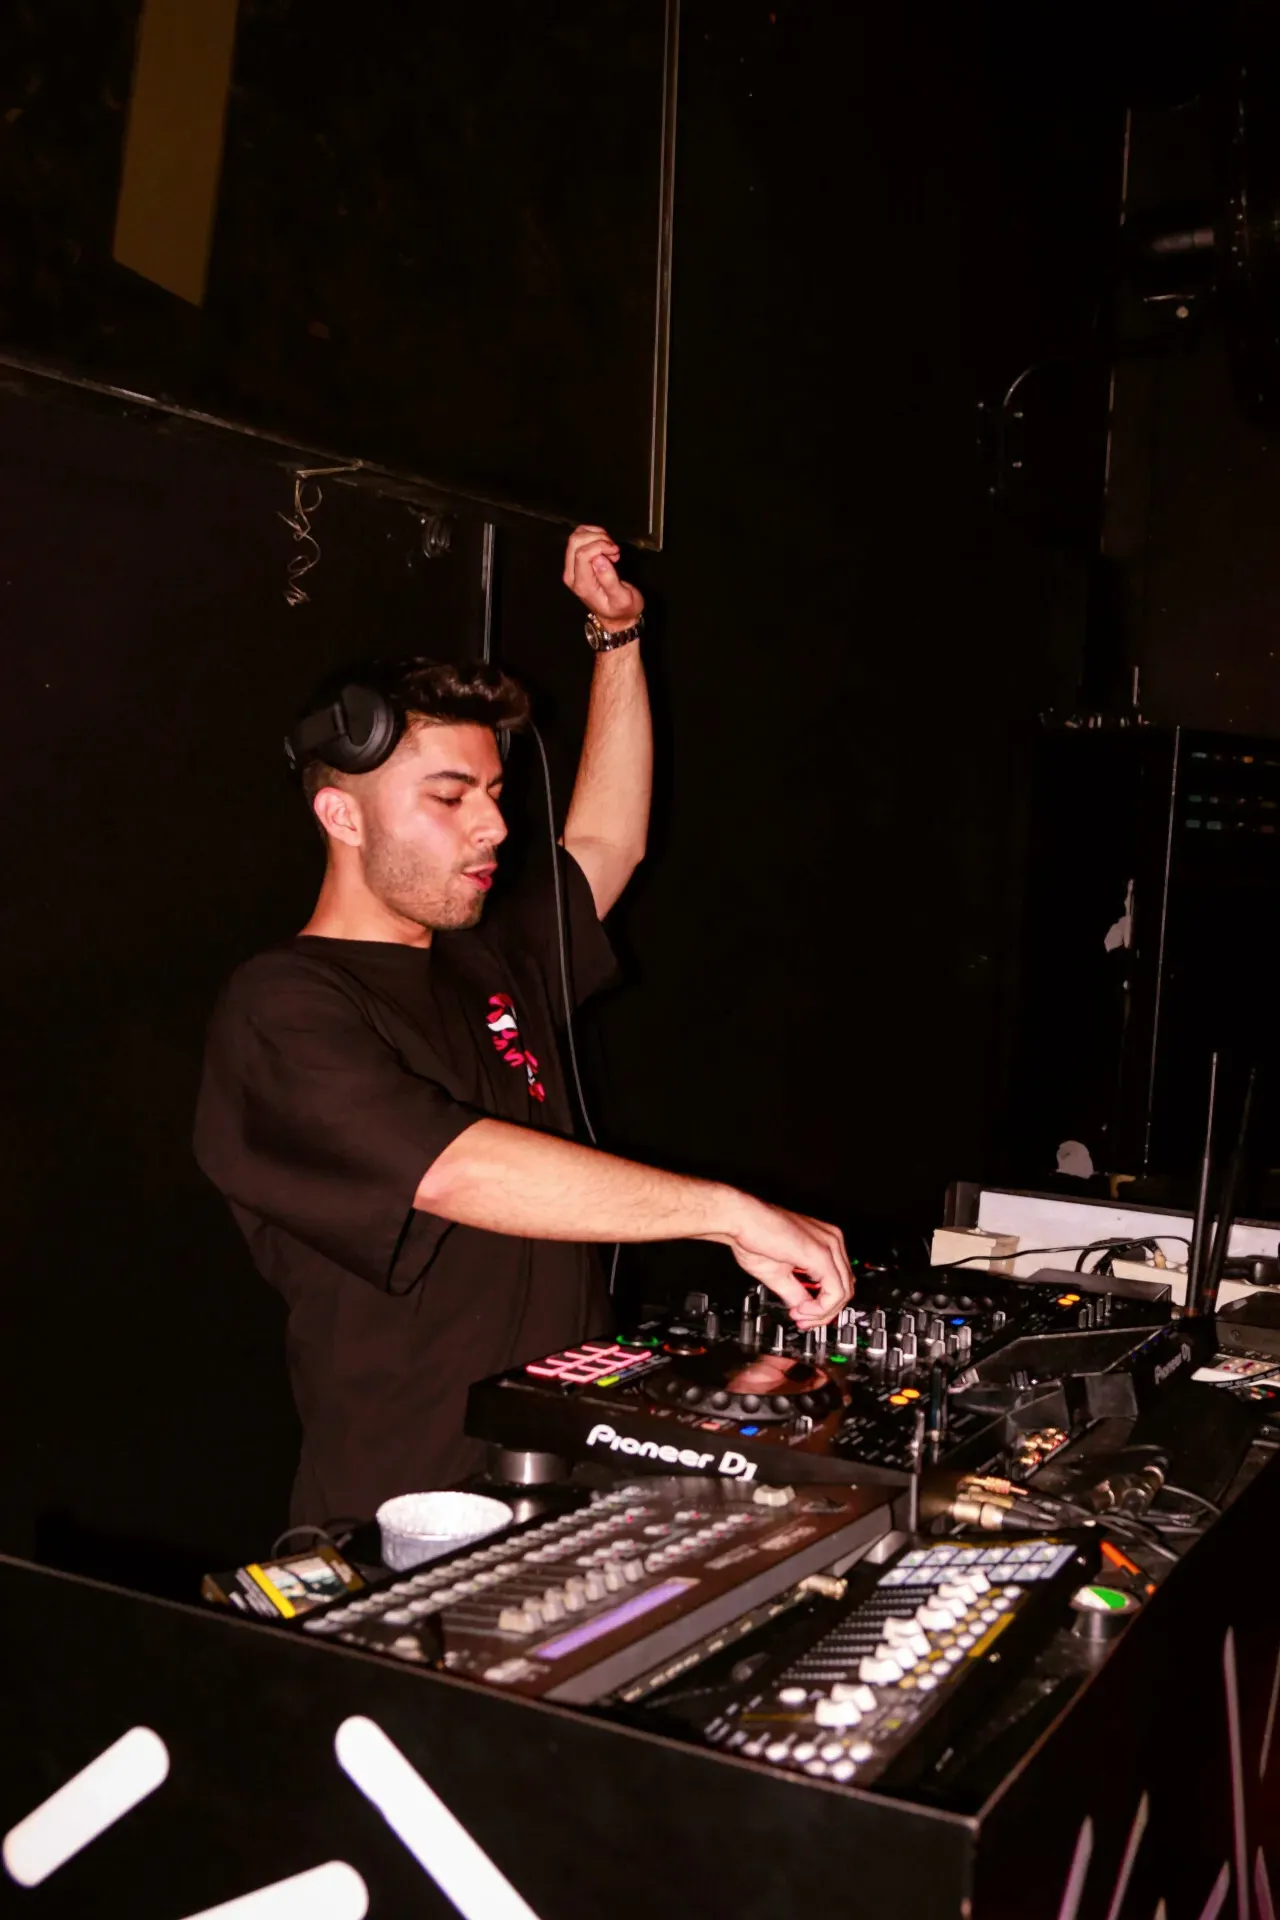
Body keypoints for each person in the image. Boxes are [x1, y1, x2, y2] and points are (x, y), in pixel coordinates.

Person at [195, 525, 855, 1526]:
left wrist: (617, 639)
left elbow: (607, 840)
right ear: (342, 816)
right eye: (449, 797)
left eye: (495, 794)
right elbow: (454, 1171)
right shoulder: (282, 1007)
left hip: (569, 1486)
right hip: (405, 1515)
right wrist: (726, 1212)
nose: (494, 826)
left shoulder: (489, 954)